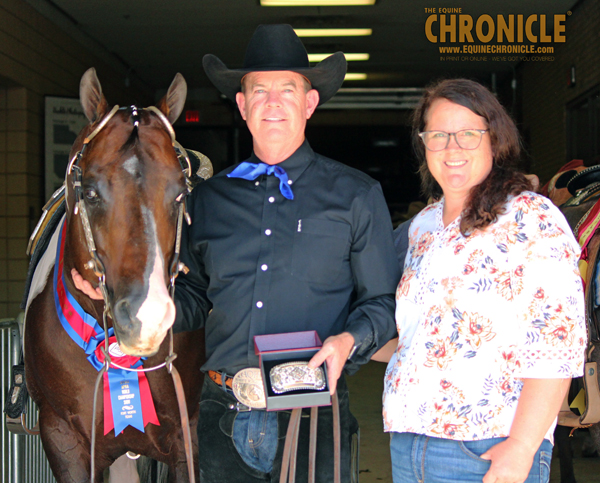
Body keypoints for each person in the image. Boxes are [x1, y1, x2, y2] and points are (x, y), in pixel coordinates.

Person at [170, 24, 399, 482]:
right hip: (222, 413)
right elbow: (193, 299)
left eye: (287, 89)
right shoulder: (208, 200)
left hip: (314, 414)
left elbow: (382, 303)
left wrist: (348, 340)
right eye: (259, 90)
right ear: (242, 105)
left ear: (309, 102)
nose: (272, 102)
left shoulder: (356, 196)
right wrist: (120, 304)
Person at [374, 78, 587, 483]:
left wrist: (522, 449)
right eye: (438, 135)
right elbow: (418, 339)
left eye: (468, 134)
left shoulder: (531, 219)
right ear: (424, 144)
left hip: (487, 447)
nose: (452, 149)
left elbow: (557, 344)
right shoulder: (422, 228)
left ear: (495, 140)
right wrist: (346, 337)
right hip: (409, 443)